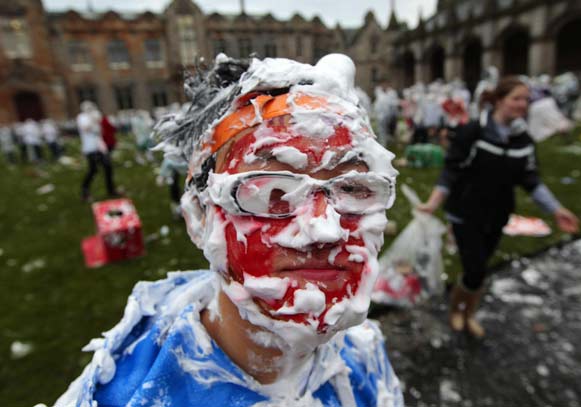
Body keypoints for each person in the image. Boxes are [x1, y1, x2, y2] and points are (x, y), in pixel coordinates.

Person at [54, 54, 403, 406]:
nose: (325, 230)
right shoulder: (127, 398)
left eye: (355, 189)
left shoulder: (364, 350)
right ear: (198, 216)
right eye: (272, 193)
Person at [419, 76, 579, 338]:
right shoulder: (474, 131)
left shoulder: (523, 139)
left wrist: (556, 209)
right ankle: (457, 311)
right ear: (498, 100)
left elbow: (531, 179)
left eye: (526, 99)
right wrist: (433, 203)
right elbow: (451, 172)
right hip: (464, 212)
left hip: (497, 215)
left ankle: (468, 311)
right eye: (516, 98)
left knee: (479, 269)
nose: (522, 104)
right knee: (476, 268)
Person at [77, 101, 118, 201]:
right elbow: (85, 128)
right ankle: (85, 192)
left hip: (99, 147)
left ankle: (111, 190)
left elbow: (100, 132)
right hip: (90, 148)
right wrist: (92, 120)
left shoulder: (95, 117)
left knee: (108, 167)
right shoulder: (82, 117)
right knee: (93, 170)